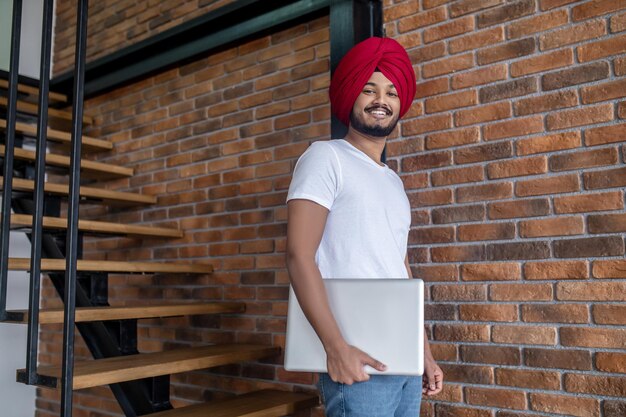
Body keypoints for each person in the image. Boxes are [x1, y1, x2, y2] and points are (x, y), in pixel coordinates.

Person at [285, 37, 444, 416]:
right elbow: (298, 255)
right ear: (350, 96)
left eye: (391, 92)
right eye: (369, 88)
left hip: (403, 360)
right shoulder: (326, 158)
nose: (381, 100)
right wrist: (335, 348)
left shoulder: (393, 182)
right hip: (356, 358)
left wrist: (424, 353)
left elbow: (399, 270)